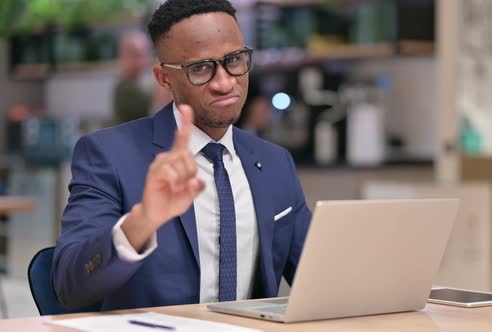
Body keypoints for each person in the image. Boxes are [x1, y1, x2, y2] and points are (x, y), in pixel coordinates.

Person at [52, 0, 312, 311]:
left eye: (234, 60)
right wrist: (142, 220)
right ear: (164, 78)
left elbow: (319, 280)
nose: (225, 82)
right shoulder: (108, 155)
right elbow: (69, 285)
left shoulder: (274, 162)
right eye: (200, 68)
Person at [112, 31, 171, 124]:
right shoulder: (125, 88)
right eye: (135, 54)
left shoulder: (134, 83)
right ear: (122, 55)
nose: (143, 59)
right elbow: (159, 99)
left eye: (145, 53)